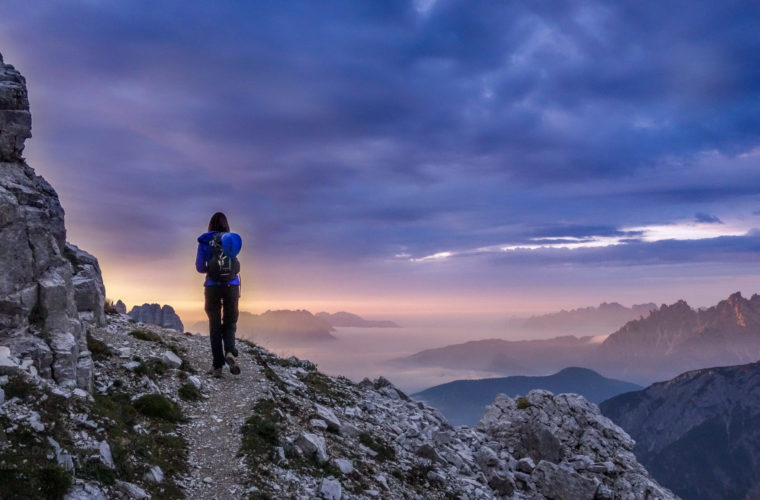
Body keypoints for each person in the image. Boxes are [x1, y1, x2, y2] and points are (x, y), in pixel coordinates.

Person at [196, 212, 241, 377]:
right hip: (232, 286)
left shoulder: (205, 241)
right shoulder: (231, 240)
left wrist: (210, 269)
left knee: (214, 326)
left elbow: (199, 267)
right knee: (229, 322)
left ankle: (217, 367)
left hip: (212, 287)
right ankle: (230, 351)